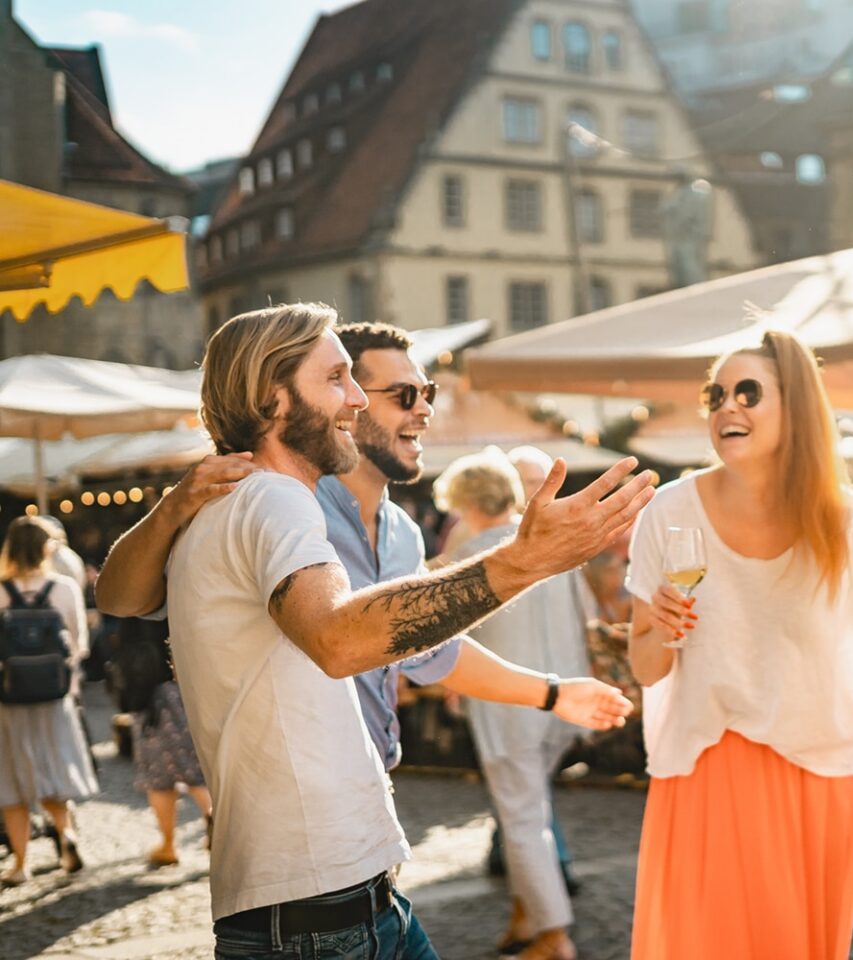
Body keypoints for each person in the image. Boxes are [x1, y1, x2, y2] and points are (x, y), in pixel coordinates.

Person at [93, 303, 646, 959]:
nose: (356, 398)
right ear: (274, 399)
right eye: (338, 379)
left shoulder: (324, 511)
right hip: (314, 899)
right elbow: (339, 638)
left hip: (342, 886)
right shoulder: (272, 496)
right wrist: (521, 562)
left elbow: (422, 649)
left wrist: (552, 693)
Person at [627, 330, 853, 960]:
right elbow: (646, 669)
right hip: (705, 768)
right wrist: (662, 631)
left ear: (795, 406)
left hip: (819, 770)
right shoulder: (668, 512)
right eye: (716, 394)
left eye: (748, 392)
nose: (728, 407)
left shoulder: (846, 518)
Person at [436, 450, 589, 960]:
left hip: (510, 705)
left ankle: (553, 934)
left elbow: (449, 640)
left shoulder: (473, 559)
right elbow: (582, 616)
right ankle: (529, 914)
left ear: (463, 502)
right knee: (529, 813)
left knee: (522, 819)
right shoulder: (548, 547)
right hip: (562, 699)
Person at [0, 516, 94, 887]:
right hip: (56, 696)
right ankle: (65, 833)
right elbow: (79, 643)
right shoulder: (64, 587)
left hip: (8, 698)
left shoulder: (1, 590)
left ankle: (20, 863)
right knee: (54, 766)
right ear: (46, 548)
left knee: (12, 778)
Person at [116, 617, 213, 868]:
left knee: (159, 777)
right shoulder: (187, 580)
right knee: (195, 766)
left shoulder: (138, 585)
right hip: (191, 683)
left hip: (151, 693)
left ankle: (169, 844)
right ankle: (214, 819)